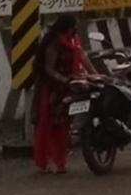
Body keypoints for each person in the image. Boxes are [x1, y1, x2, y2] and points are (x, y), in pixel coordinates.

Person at [32, 14, 98, 174]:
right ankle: (43, 163)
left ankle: (60, 162)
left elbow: (82, 56)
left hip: (68, 88)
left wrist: (95, 74)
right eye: (71, 27)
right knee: (46, 125)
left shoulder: (73, 40)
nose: (73, 30)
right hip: (51, 90)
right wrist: (64, 80)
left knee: (63, 126)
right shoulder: (54, 43)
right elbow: (48, 69)